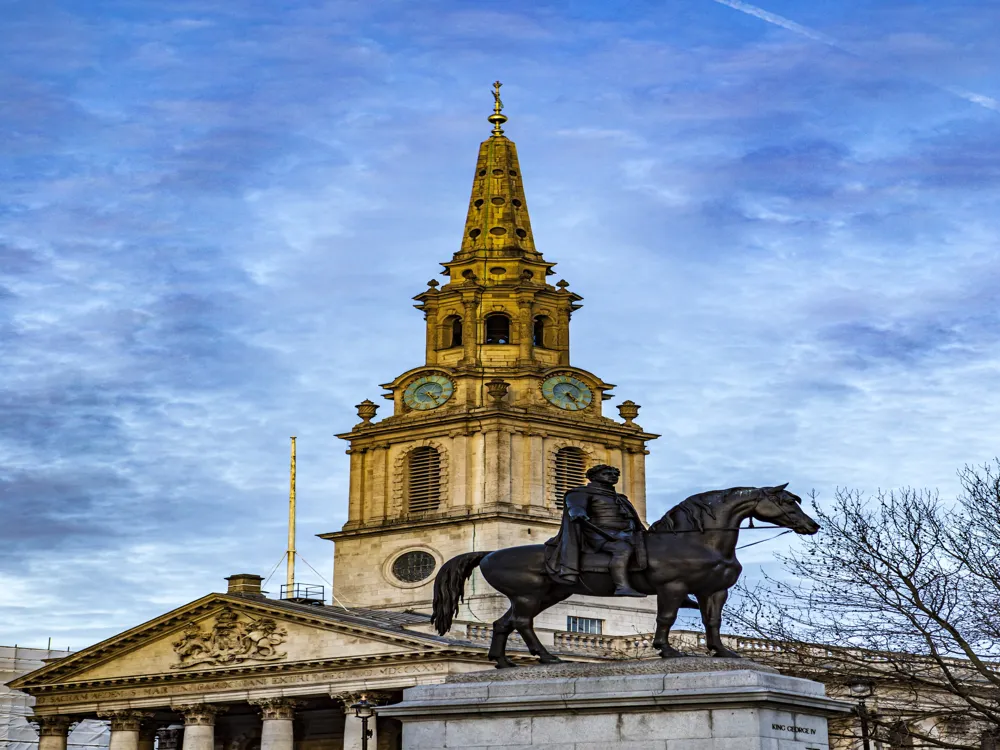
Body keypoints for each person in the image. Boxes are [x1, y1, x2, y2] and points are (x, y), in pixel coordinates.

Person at [544, 464, 647, 596]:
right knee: (623, 549)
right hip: (599, 534)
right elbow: (574, 506)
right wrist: (578, 512)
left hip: (626, 533)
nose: (613, 476)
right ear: (593, 477)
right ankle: (622, 586)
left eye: (615, 474)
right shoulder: (580, 493)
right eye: (607, 473)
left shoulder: (620, 498)